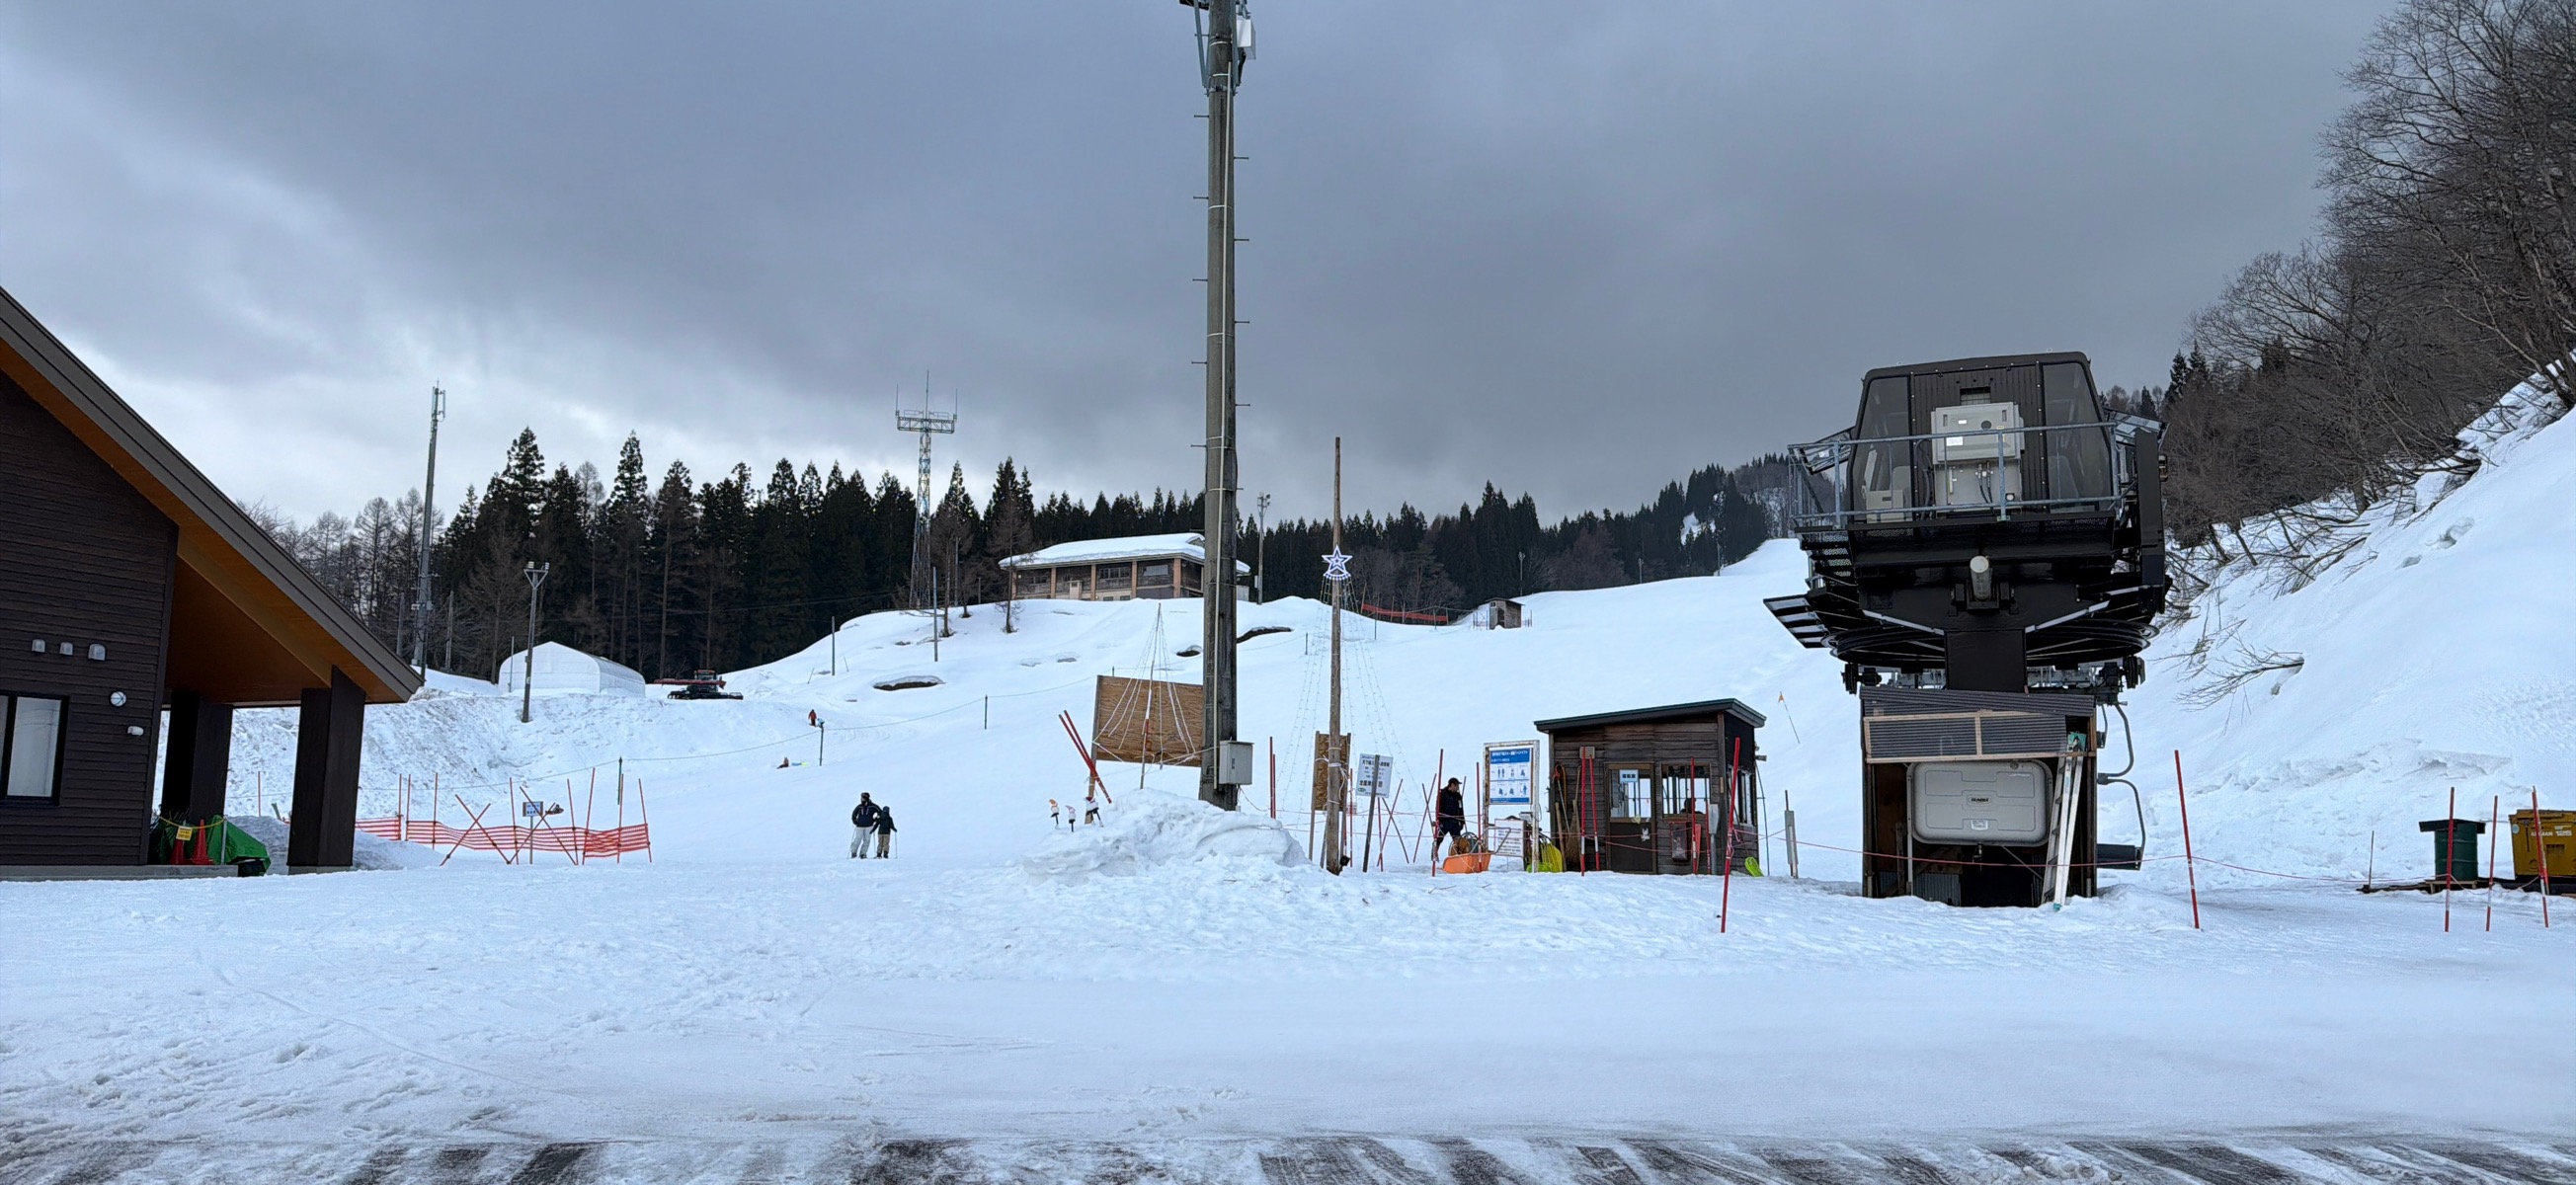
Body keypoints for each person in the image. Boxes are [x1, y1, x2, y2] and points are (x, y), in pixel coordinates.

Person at [1435, 777, 1467, 858]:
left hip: (1455, 822)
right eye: (1456, 786)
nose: (1457, 788)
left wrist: (1462, 821)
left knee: (1457, 841)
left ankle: (1458, 857)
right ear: (1452, 785)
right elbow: (1438, 807)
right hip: (1444, 822)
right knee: (1439, 839)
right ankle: (1435, 853)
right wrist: (1438, 819)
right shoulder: (1442, 794)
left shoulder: (1458, 796)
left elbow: (1460, 809)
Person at [849, 793, 882, 858]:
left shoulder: (873, 806)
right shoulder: (859, 806)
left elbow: (880, 813)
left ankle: (863, 853)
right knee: (857, 839)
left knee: (867, 840)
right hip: (859, 826)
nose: (861, 800)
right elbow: (854, 814)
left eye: (863, 798)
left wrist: (875, 819)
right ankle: (853, 852)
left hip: (869, 826)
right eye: (861, 798)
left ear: (867, 798)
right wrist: (855, 821)